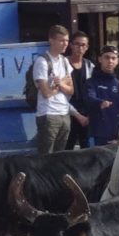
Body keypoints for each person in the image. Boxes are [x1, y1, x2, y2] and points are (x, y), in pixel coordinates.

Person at [33, 25, 74, 155]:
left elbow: (71, 90)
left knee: (60, 155)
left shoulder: (65, 61)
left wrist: (59, 84)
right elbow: (46, 92)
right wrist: (62, 85)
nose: (65, 44)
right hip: (48, 114)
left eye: (67, 40)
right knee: (46, 155)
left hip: (64, 113)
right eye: (61, 40)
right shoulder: (42, 61)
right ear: (51, 40)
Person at [85, 45, 119, 146]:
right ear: (100, 59)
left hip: (116, 138)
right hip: (96, 136)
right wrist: (101, 103)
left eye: (113, 58)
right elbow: (89, 98)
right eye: (107, 57)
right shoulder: (91, 82)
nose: (110, 61)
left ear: (117, 61)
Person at [65, 31, 94, 150]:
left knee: (86, 149)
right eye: (77, 44)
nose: (80, 47)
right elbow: (59, 95)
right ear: (71, 45)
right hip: (67, 113)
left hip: (86, 114)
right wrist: (77, 115)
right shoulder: (62, 64)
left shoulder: (89, 66)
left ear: (87, 47)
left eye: (83, 45)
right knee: (67, 149)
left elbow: (92, 92)